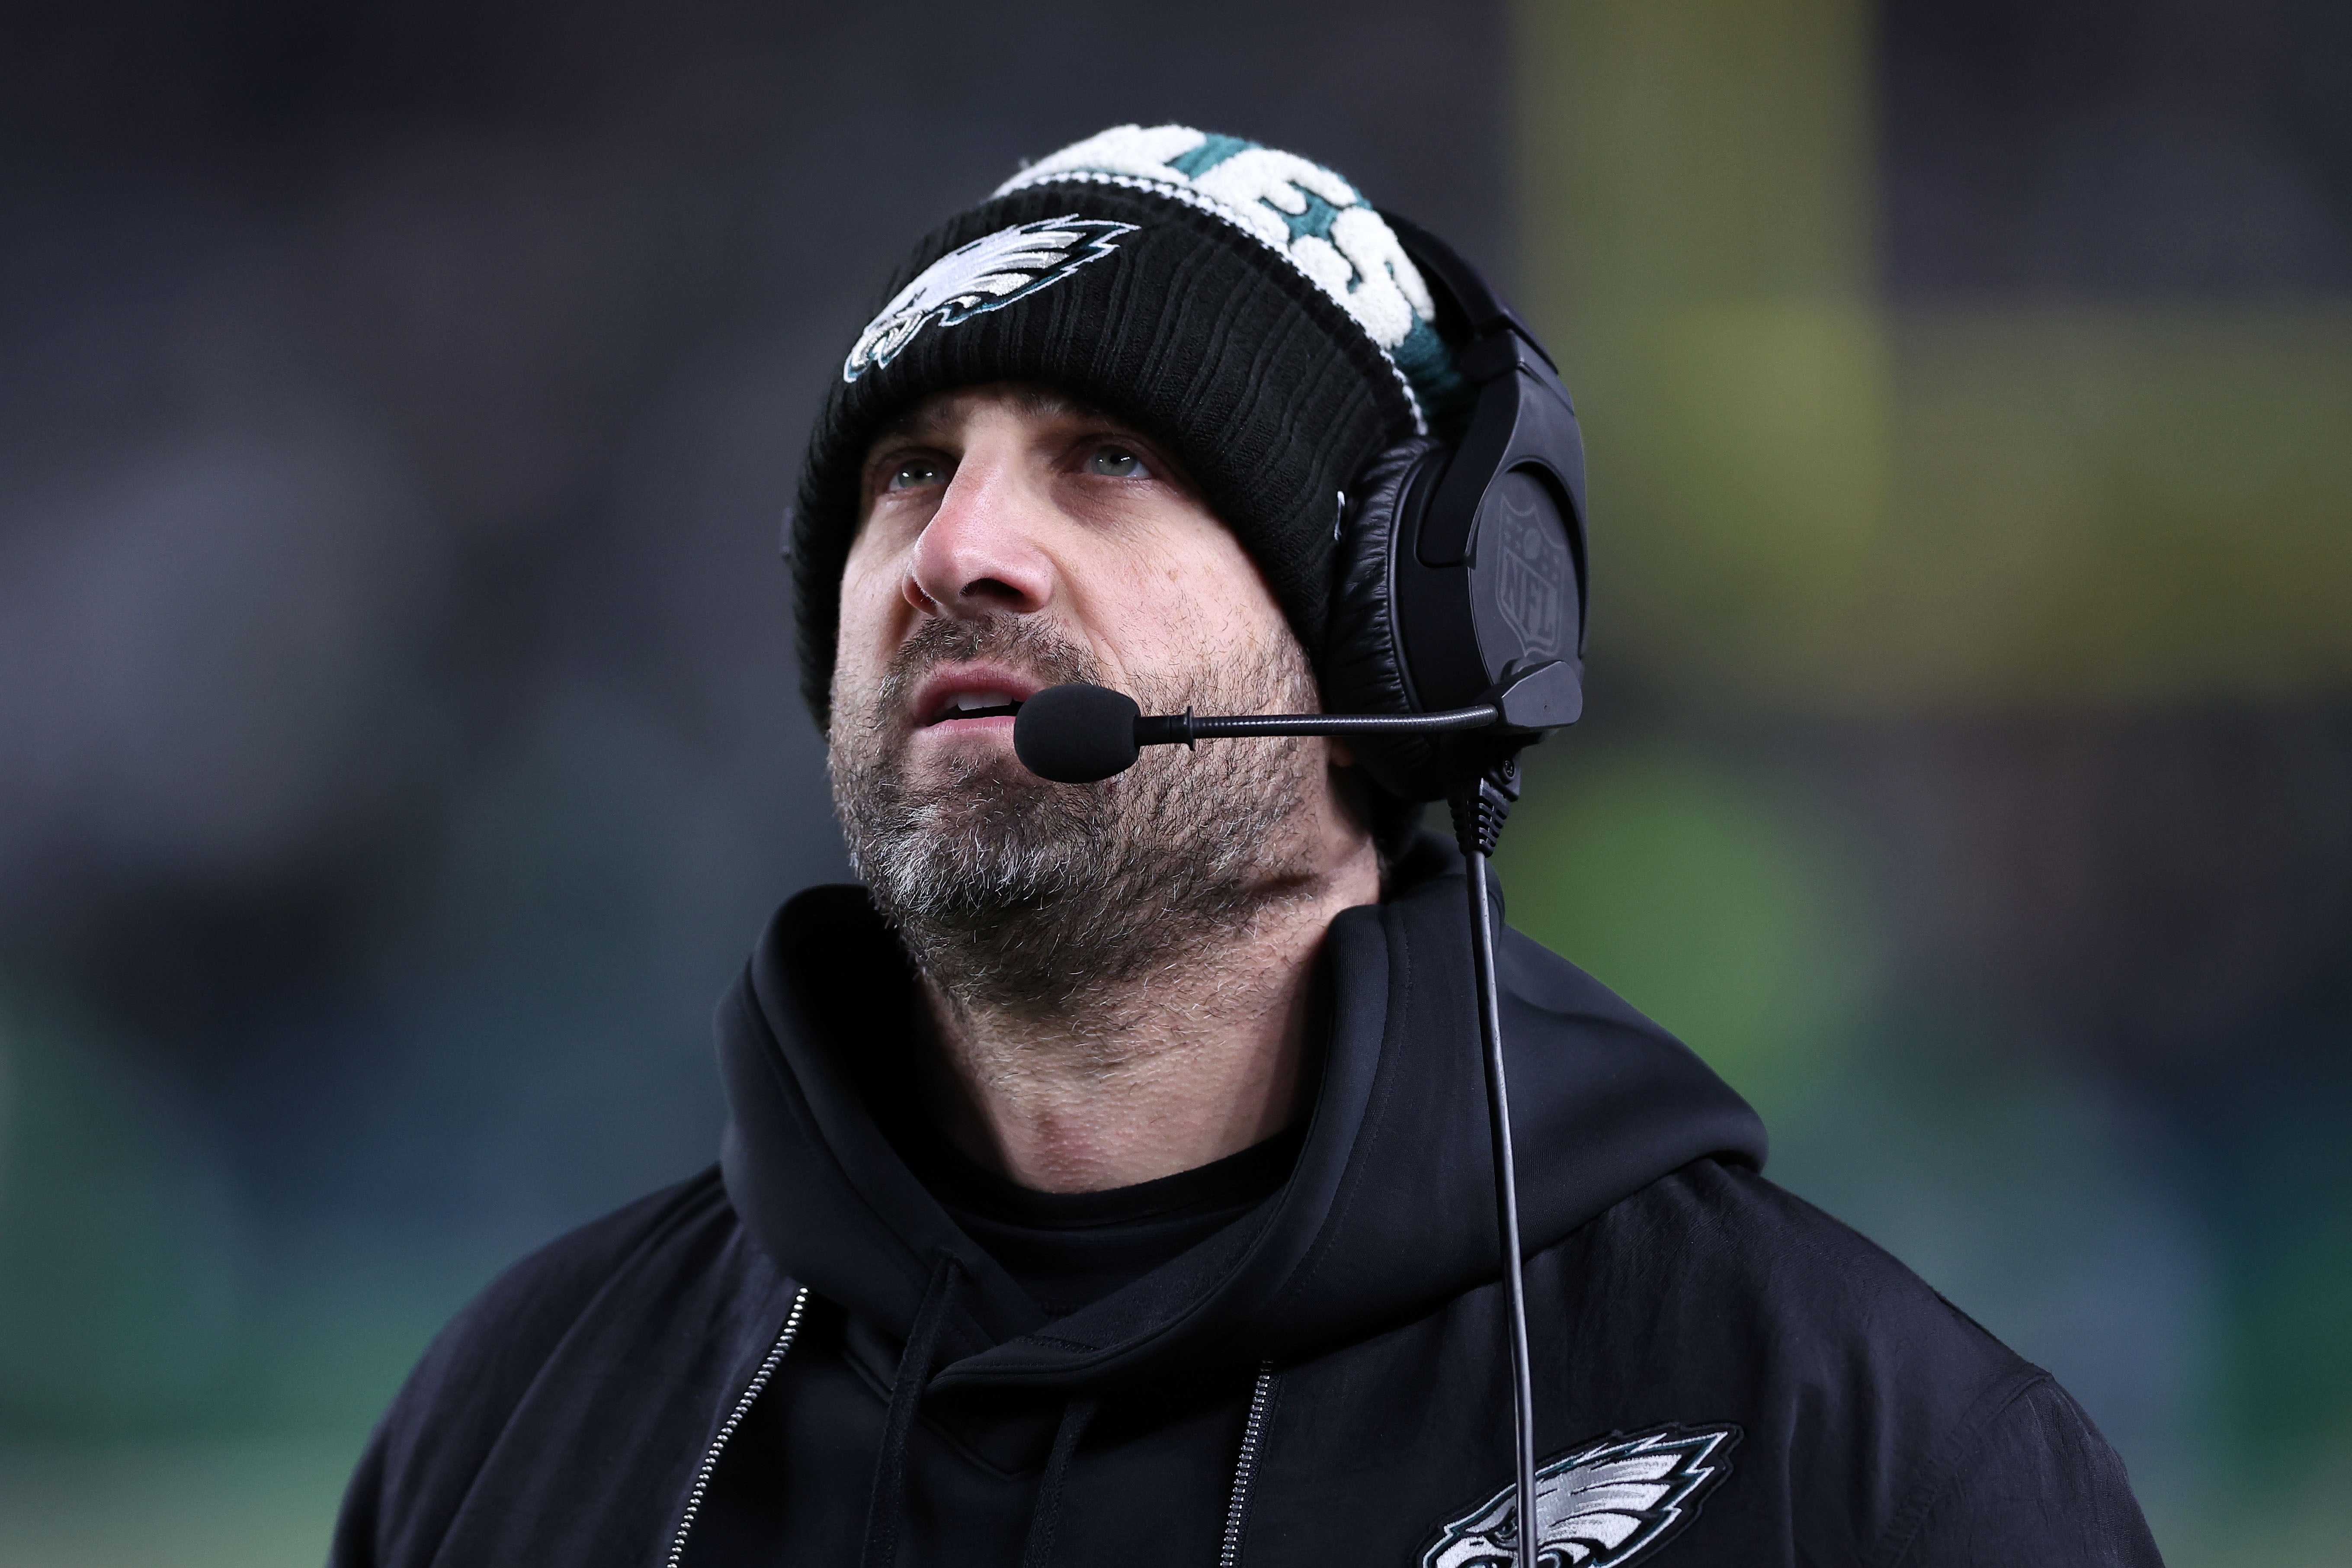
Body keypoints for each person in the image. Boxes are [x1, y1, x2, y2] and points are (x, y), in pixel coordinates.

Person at [330, 125, 2163, 1568]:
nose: (960, 544)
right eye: (904, 467)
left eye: (1106, 453)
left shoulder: (1856, 1451)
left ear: (1402, 643)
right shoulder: (518, 1418)